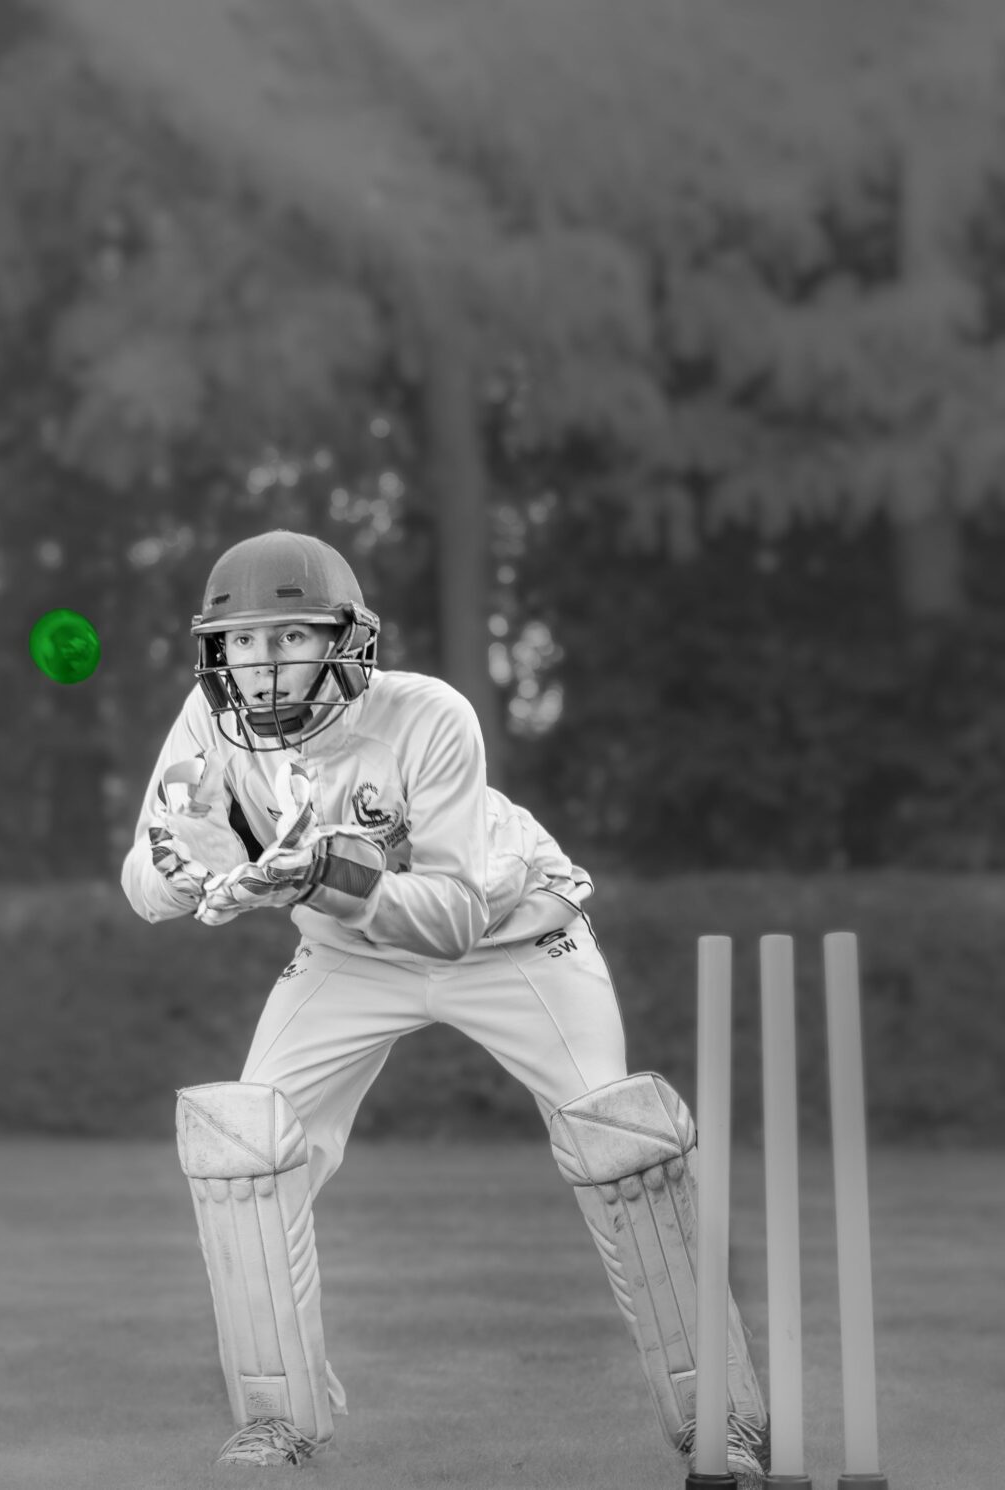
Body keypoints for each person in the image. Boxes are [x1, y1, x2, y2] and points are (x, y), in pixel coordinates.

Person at [119, 529, 770, 1486]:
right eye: (245, 643)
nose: (263, 666)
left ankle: (722, 1425)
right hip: (347, 957)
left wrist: (326, 879)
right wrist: (182, 859)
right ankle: (276, 1423)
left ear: (347, 641)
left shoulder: (427, 715)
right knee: (244, 1154)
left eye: (290, 636)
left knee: (622, 1146)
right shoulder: (205, 725)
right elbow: (146, 884)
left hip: (516, 940)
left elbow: (455, 917)